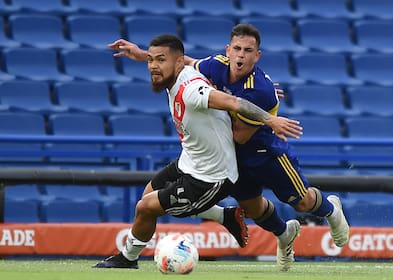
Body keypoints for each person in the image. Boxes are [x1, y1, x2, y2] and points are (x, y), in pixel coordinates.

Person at [108, 23, 350, 271]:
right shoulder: (217, 66)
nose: (241, 54)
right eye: (237, 48)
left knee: (302, 202)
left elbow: (240, 135)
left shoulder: (260, 90)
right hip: (233, 156)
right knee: (253, 209)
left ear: (257, 56)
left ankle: (331, 209)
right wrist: (142, 56)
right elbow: (188, 62)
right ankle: (284, 234)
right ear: (228, 49)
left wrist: (266, 116)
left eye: (248, 50)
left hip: (265, 153)